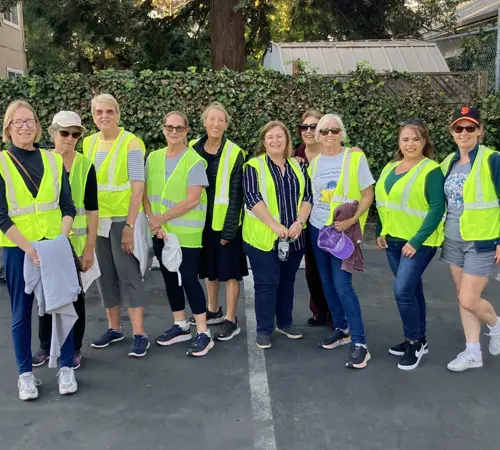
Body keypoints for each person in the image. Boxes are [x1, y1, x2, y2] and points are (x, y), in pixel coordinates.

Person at [0, 100, 77, 400]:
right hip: (20, 249)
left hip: (54, 245)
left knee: (62, 305)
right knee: (21, 313)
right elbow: (2, 215)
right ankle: (25, 375)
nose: (25, 126)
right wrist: (31, 250)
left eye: (29, 120)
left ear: (37, 125)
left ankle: (66, 367)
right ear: (8, 128)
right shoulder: (2, 163)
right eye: (17, 122)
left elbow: (68, 206)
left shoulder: (54, 161)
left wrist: (59, 241)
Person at [375, 119, 445, 371]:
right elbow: (384, 203)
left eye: (416, 139)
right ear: (399, 142)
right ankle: (418, 339)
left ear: (424, 141)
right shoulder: (389, 168)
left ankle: (413, 342)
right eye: (405, 139)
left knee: (402, 291)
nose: (410, 144)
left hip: (419, 242)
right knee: (412, 290)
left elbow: (438, 207)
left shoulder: (431, 170)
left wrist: (416, 240)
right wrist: (382, 230)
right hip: (393, 240)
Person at [83, 94, 150, 357]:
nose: (104, 116)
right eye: (99, 112)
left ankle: (139, 333)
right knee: (105, 276)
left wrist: (130, 226)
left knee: (128, 274)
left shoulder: (131, 143)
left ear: (118, 114)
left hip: (122, 219)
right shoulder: (88, 143)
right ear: (93, 115)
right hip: (97, 221)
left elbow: (137, 188)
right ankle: (114, 328)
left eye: (109, 111)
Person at [32, 111, 98, 370]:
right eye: (64, 133)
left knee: (74, 298)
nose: (70, 139)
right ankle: (46, 346)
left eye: (75, 134)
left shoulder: (85, 166)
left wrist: (90, 248)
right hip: (47, 241)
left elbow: (92, 210)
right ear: (52, 132)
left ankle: (74, 348)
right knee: (46, 296)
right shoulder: (40, 161)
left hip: (76, 245)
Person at [144, 111, 214, 357]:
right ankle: (180, 325)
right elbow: (146, 195)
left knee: (188, 279)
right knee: (170, 279)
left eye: (179, 128)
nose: (173, 132)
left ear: (187, 131)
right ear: (163, 129)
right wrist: (155, 224)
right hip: (161, 232)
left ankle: (203, 332)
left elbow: (193, 199)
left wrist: (160, 219)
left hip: (186, 234)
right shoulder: (152, 158)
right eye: (169, 127)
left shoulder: (194, 161)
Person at [308, 113, 375, 369]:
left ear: (342, 133)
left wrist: (352, 220)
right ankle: (341, 328)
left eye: (334, 131)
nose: (329, 136)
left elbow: (368, 194)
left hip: (342, 232)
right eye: (324, 131)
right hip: (318, 229)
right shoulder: (314, 163)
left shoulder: (354, 157)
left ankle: (360, 343)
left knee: (342, 284)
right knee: (327, 283)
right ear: (317, 135)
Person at [440, 106, 500, 372]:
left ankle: (496, 325)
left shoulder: (492, 159)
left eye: (470, 128)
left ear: (480, 131)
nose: (464, 133)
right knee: (460, 295)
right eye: (458, 128)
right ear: (452, 132)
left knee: (468, 299)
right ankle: (473, 351)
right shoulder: (448, 162)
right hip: (452, 240)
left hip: (481, 241)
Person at [243, 120, 312, 349]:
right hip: (263, 239)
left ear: (287, 141)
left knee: (287, 281)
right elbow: (253, 198)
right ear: (264, 141)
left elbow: (307, 198)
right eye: (270, 137)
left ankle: (285, 322)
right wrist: (274, 225)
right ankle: (264, 329)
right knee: (266, 283)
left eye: (279, 136)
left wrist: (300, 222)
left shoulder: (299, 167)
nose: (275, 140)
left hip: (294, 238)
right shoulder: (253, 166)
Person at [189, 102, 248, 340]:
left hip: (226, 224)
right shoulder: (193, 148)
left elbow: (236, 194)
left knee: (231, 272)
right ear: (204, 122)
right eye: (211, 119)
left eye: (220, 120)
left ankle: (231, 319)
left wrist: (230, 230)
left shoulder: (235, 152)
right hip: (200, 222)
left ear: (226, 124)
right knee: (209, 270)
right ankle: (213, 310)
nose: (216, 124)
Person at [294, 110, 330, 327]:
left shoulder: (334, 154)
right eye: (304, 127)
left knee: (331, 271)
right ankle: (319, 311)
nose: (308, 131)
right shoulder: (294, 156)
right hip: (305, 220)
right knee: (312, 271)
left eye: (313, 127)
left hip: (328, 221)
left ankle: (335, 314)